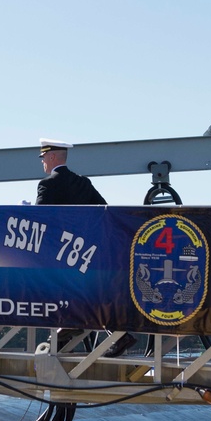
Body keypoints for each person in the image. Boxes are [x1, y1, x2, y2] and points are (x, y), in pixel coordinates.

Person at [34, 139, 136, 357]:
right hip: (85, 248)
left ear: (52, 156)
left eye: (44, 158)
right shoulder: (83, 183)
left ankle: (74, 327)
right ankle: (74, 327)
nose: (43, 162)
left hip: (61, 250)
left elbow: (39, 217)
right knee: (86, 291)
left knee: (60, 287)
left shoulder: (47, 185)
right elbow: (104, 209)